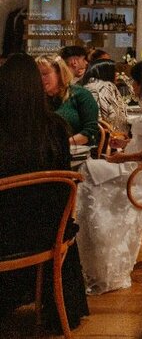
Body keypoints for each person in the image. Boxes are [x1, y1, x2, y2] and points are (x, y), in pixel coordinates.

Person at [0, 53, 90, 332]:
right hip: (43, 235)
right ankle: (58, 310)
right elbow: (62, 187)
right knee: (63, 222)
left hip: (3, 232)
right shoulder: (54, 129)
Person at [76, 59, 142, 295]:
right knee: (87, 174)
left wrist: (125, 158)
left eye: (135, 81)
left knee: (91, 182)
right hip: (135, 165)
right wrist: (125, 144)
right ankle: (91, 261)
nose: (133, 85)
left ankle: (103, 264)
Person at [37, 54, 101, 148]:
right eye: (37, 75)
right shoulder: (38, 98)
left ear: (60, 73)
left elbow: (90, 132)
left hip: (76, 153)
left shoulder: (80, 94)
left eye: (45, 74)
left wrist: (61, 145)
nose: (40, 78)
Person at [82, 58, 128, 134]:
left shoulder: (87, 86)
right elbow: (103, 117)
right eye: (114, 71)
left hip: (92, 133)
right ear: (105, 72)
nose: (117, 74)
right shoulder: (105, 86)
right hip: (105, 135)